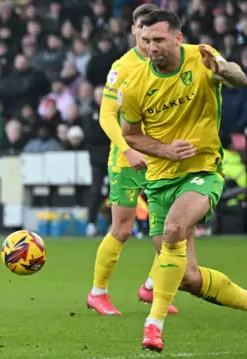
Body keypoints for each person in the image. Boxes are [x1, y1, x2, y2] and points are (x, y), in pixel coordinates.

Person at [119, 9, 247, 352]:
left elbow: (239, 78)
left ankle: (153, 325)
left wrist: (220, 69)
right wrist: (164, 149)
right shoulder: (132, 86)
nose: (152, 47)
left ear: (177, 37)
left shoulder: (200, 57)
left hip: (202, 170)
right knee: (186, 276)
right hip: (160, 180)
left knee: (175, 228)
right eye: (146, 41)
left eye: (159, 39)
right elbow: (130, 135)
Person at [87, 3, 178, 316]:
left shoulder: (168, 61)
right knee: (122, 229)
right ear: (134, 30)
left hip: (160, 157)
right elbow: (106, 115)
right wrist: (126, 149)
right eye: (142, 28)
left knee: (171, 227)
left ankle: (152, 287)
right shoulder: (122, 67)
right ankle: (98, 292)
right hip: (126, 158)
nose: (146, 34)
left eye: (152, 30)